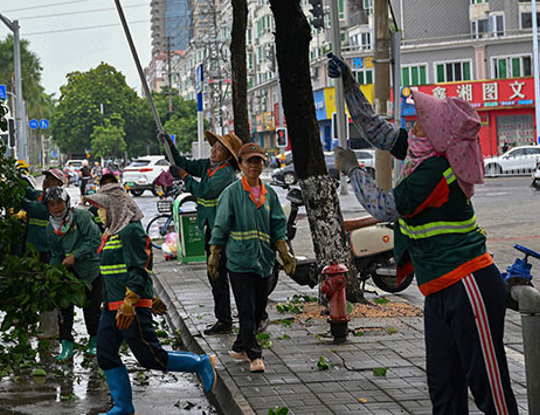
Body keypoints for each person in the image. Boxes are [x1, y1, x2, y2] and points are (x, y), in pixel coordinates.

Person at [329, 54, 518, 414]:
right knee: (444, 390)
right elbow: (379, 131)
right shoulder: (422, 154)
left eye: (421, 123)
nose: (413, 126)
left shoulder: (434, 171)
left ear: (436, 136)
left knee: (489, 390)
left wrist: (354, 171)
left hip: (468, 285)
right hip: (438, 289)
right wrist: (351, 87)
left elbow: (385, 206)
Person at [84, 183, 216, 415]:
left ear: (115, 208)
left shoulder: (131, 231)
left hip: (129, 307)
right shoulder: (111, 233)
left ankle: (201, 363)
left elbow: (139, 267)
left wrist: (133, 301)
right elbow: (111, 273)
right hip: (112, 307)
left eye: (102, 208)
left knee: (151, 357)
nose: (99, 212)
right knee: (105, 354)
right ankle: (123, 406)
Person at [209, 143, 295, 373]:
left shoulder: (269, 194)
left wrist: (283, 250)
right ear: (241, 164)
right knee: (246, 309)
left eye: (258, 161)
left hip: (263, 261)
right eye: (249, 162)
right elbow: (221, 225)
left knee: (258, 311)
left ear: (263, 164)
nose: (253, 166)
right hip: (238, 260)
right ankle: (255, 355)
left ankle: (240, 345)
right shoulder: (232, 193)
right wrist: (215, 254)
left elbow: (278, 224)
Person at [160, 131, 242, 335]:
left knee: (219, 274)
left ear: (229, 156)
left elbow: (204, 190)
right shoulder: (210, 166)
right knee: (215, 275)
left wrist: (183, 177)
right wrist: (170, 146)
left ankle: (226, 320)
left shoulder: (225, 173)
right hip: (211, 227)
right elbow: (185, 164)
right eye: (214, 147)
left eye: (219, 149)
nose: (214, 150)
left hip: (223, 231)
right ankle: (223, 318)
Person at [43, 187, 102, 360]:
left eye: (59, 203)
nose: (56, 208)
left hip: (90, 270)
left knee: (92, 309)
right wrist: (53, 272)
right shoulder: (50, 228)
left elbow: (95, 240)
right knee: (64, 310)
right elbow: (55, 253)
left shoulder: (81, 217)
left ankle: (94, 342)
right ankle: (66, 345)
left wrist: (75, 256)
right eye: (52, 205)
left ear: (67, 203)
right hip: (67, 274)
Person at [21, 168, 68, 338]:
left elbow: (31, 207)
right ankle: (46, 326)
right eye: (46, 177)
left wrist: (18, 198)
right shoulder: (42, 195)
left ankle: (52, 329)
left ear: (59, 184)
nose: (46, 181)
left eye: (51, 178)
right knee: (41, 289)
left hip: (49, 251)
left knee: (48, 290)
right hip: (37, 250)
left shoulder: (56, 200)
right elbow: (29, 192)